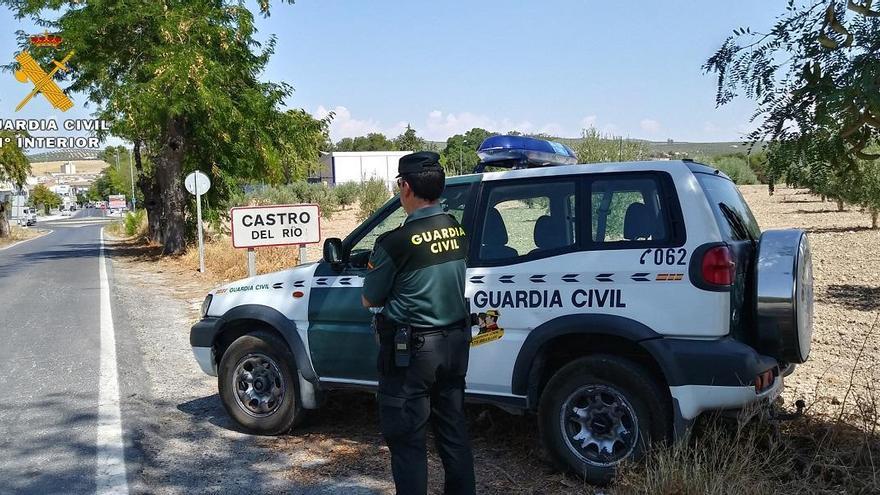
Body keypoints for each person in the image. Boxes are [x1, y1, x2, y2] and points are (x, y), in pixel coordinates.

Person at [362, 151, 476, 495]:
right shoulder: (457, 230)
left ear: (406, 187)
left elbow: (370, 298)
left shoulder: (394, 242)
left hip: (412, 355)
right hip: (455, 345)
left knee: (408, 441)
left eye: (399, 184)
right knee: (453, 433)